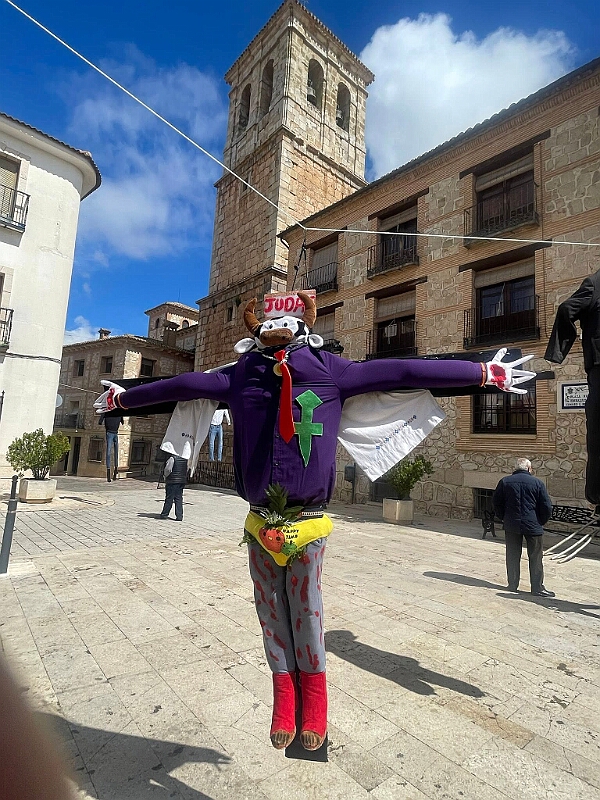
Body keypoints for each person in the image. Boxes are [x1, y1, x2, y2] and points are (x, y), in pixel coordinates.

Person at [95, 291, 535, 753]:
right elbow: (182, 385)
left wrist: (482, 373)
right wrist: (125, 399)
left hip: (308, 520)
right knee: (269, 611)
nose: (277, 330)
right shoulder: (240, 374)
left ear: (303, 326)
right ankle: (284, 696)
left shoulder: (330, 369)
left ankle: (316, 702)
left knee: (306, 610)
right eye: (269, 324)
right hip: (259, 521)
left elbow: (404, 370)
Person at [545, 268, 600, 511]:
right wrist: (558, 351)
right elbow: (567, 309)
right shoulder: (596, 282)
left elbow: (566, 309)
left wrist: (558, 351)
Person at [493, 458, 554, 597]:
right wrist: (541, 521)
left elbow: (496, 503)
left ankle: (513, 584)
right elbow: (546, 506)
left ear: (516, 468)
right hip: (533, 524)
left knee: (512, 555)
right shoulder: (537, 483)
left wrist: (504, 517)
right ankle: (537, 588)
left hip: (512, 524)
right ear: (529, 468)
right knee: (536, 556)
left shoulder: (505, 482)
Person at [160, 454, 188, 521]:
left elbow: (168, 470)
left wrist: (165, 476)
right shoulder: (185, 459)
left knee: (169, 498)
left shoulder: (172, 458)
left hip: (172, 480)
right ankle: (179, 516)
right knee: (179, 498)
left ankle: (164, 514)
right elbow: (186, 469)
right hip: (181, 481)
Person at [98, 413, 123, 482]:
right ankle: (111, 472)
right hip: (112, 432)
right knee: (112, 452)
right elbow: (122, 421)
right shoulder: (108, 411)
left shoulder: (108, 411)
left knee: (111, 452)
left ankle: (114, 470)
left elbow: (100, 421)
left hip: (113, 433)